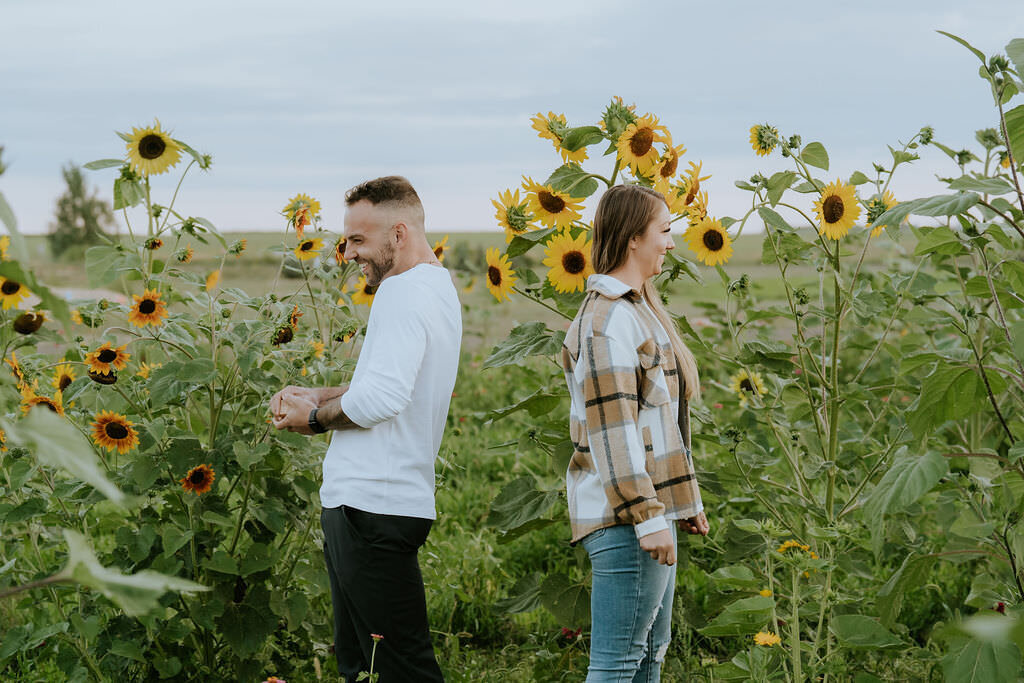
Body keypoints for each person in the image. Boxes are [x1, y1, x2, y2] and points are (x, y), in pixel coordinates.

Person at [270, 176, 461, 682]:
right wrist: (321, 394)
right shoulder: (435, 288)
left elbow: (380, 399)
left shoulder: (400, 291)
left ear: (398, 234)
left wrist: (312, 419)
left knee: (400, 670)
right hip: (382, 504)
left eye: (358, 240)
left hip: (371, 509)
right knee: (365, 668)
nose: (348, 252)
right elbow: (392, 388)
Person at [561, 184, 710, 681]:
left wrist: (680, 504)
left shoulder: (636, 309)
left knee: (649, 656)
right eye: (664, 231)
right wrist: (647, 517)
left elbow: (657, 421)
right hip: (626, 519)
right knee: (617, 664)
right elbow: (614, 430)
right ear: (633, 240)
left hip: (646, 512)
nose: (670, 243)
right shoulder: (609, 321)